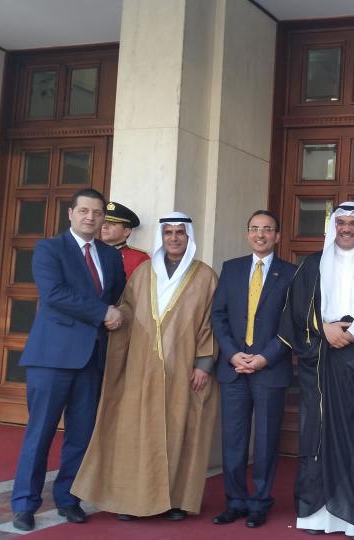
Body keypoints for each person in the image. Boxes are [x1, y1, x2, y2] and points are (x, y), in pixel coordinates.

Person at [71, 212, 220, 521]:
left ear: (189, 237)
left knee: (179, 432)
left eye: (180, 232)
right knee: (134, 432)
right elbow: (127, 308)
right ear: (161, 237)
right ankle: (130, 500)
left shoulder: (205, 276)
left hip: (183, 370)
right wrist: (116, 317)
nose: (174, 238)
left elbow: (212, 322)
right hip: (140, 366)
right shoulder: (142, 273)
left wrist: (204, 364)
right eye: (169, 233)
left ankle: (174, 501)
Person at [10, 188, 126, 531]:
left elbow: (118, 295)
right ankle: (25, 504)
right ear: (71, 214)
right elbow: (55, 294)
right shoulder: (49, 248)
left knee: (81, 435)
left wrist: (117, 313)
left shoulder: (110, 256)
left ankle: (68, 499)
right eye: (84, 211)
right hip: (52, 358)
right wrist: (102, 312)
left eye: (97, 213)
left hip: (92, 359)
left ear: (103, 219)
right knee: (40, 433)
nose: (91, 217)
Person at [279, 202, 354, 538]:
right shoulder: (312, 264)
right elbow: (295, 311)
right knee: (317, 433)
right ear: (334, 227)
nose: (346, 228)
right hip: (321, 357)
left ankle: (353, 517)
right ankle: (316, 515)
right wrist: (324, 328)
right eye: (341, 223)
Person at [210, 210, 296, 528]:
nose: (260, 234)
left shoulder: (291, 273)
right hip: (233, 368)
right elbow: (218, 315)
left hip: (270, 369)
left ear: (277, 236)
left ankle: (260, 501)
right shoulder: (231, 268)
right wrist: (232, 354)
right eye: (255, 228)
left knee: (266, 440)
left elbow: (292, 322)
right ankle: (234, 500)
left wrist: (264, 357)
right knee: (233, 439)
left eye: (267, 229)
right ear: (248, 233)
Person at [101, 201, 150, 278]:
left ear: (126, 231)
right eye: (104, 222)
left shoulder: (139, 258)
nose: (104, 226)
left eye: (112, 224)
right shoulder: (92, 252)